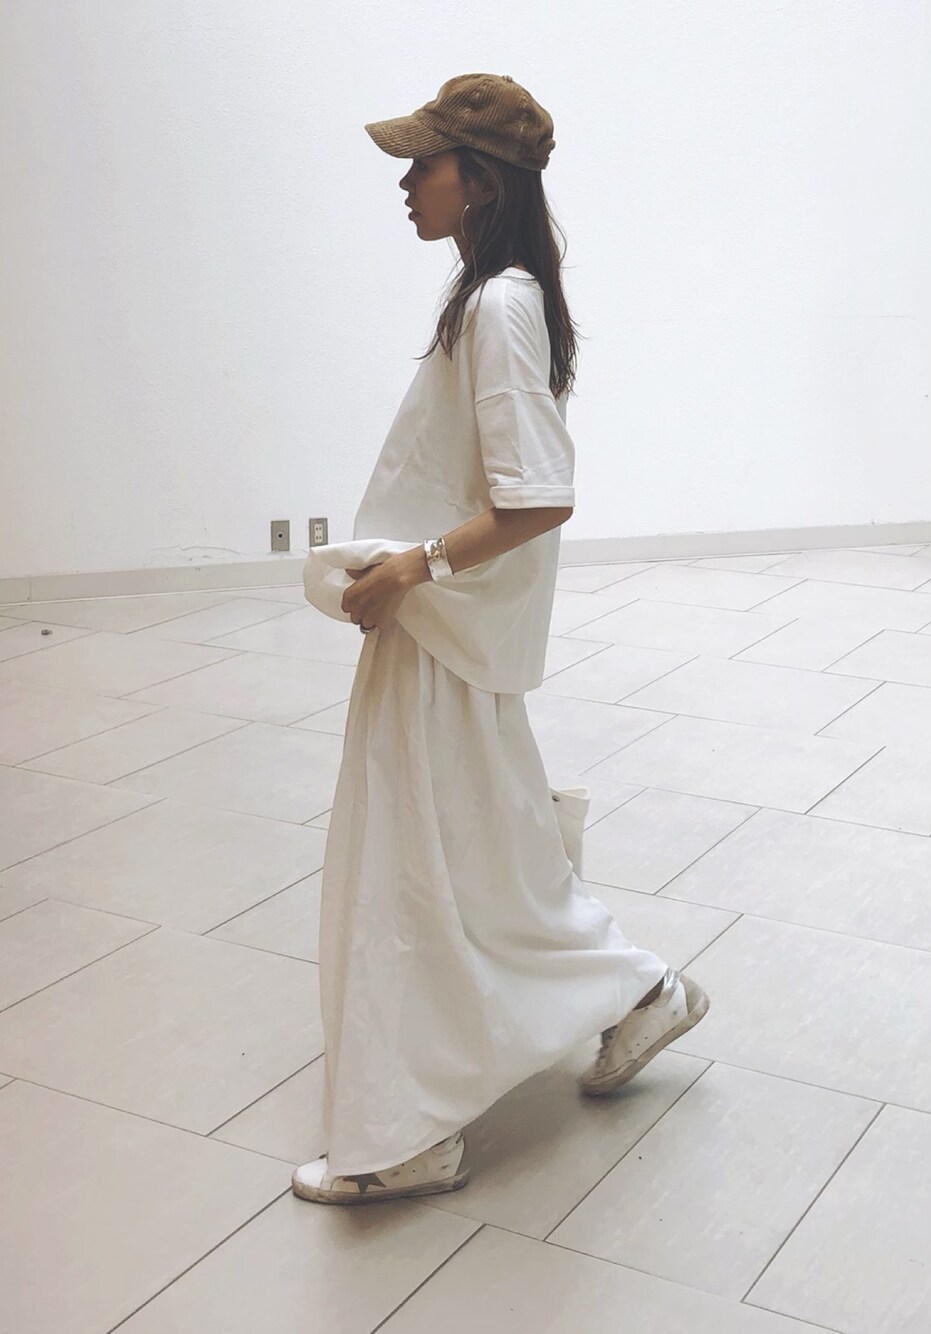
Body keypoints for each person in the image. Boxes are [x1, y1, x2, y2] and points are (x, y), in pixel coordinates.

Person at [291, 73, 709, 1206]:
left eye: (422, 162)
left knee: (413, 862)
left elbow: (540, 496)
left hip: (442, 622)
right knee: (482, 848)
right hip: (448, 627)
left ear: (479, 178)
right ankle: (636, 991)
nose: (405, 182)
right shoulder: (493, 296)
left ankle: (408, 1131)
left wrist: (410, 567)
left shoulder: (498, 306)